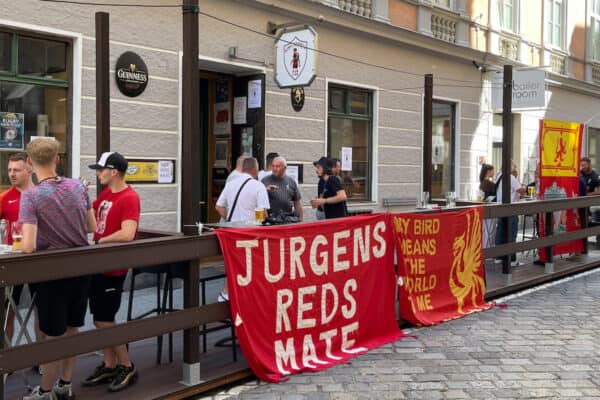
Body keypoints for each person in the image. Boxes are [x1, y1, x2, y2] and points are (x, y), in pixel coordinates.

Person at [20, 138, 97, 400]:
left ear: (30, 163)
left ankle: (45, 391)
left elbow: (28, 246)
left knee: (52, 334)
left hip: (52, 272)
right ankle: (65, 384)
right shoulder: (78, 186)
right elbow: (91, 227)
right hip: (81, 269)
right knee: (73, 328)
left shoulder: (30, 196)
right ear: (57, 159)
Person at [82, 152, 140, 392]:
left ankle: (126, 365)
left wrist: (100, 242)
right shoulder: (107, 194)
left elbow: (128, 233)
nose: (97, 173)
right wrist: (82, 198)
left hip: (113, 266)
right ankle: (108, 364)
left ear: (113, 171)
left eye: (100, 169)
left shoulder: (129, 197)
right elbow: (90, 222)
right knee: (101, 318)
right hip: (99, 264)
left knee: (103, 320)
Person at [215, 157, 269, 300]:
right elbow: (261, 213)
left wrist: (230, 219)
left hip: (232, 232)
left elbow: (219, 207)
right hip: (250, 233)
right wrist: (256, 221)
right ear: (255, 169)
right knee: (251, 265)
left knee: (233, 264)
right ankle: (247, 295)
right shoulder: (258, 186)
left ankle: (226, 293)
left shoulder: (231, 184)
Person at [1, 153, 37, 345]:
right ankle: (6, 360)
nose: (12, 174)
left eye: (17, 170)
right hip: (13, 263)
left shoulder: (41, 195)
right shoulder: (5, 197)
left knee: (41, 312)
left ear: (29, 171)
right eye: (9, 170)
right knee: (7, 312)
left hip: (38, 260)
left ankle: (42, 360)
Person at [494, 164, 526, 266]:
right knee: (511, 233)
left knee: (501, 232)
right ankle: (512, 259)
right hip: (511, 209)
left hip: (500, 207)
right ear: (512, 169)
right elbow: (521, 190)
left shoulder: (499, 176)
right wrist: (524, 185)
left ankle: (498, 257)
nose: (516, 170)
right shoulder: (511, 178)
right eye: (515, 168)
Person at [261, 156, 303, 222]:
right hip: (271, 220)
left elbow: (297, 202)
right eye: (273, 166)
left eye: (277, 166)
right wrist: (265, 190)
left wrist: (300, 219)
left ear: (285, 168)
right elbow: (259, 200)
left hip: (287, 220)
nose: (274, 169)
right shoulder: (265, 180)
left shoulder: (291, 181)